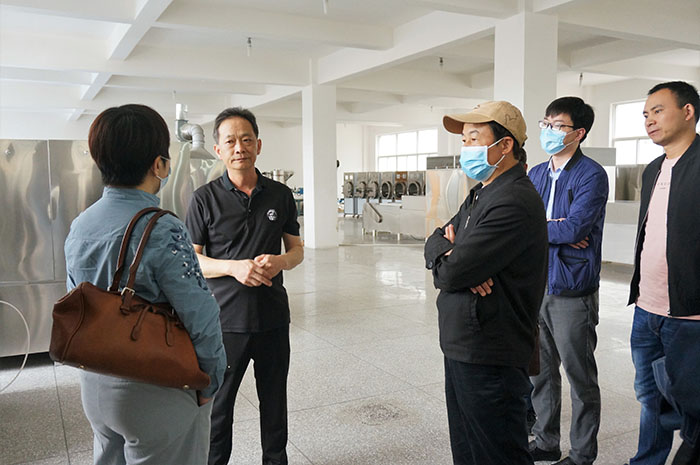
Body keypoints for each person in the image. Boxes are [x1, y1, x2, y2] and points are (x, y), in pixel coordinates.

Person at [64, 104, 226, 465]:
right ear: (159, 165)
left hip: (96, 386)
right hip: (155, 387)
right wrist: (210, 379)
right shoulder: (163, 228)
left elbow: (74, 302)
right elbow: (201, 315)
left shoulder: (80, 225)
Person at [424, 100, 548, 465]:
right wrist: (448, 251)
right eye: (464, 140)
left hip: (491, 350)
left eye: (474, 138)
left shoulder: (513, 199)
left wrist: (457, 260)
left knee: (498, 453)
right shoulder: (481, 193)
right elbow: (435, 239)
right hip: (463, 344)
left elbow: (454, 272)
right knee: (467, 449)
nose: (466, 148)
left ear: (505, 145)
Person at [185, 107, 304, 465]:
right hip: (224, 323)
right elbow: (193, 262)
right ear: (218, 150)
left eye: (247, 139)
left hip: (272, 318)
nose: (240, 148)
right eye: (231, 141)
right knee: (219, 409)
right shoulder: (204, 199)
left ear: (258, 145)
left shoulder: (280, 195)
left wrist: (281, 261)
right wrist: (233, 268)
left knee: (274, 404)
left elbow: (296, 250)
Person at [526, 97, 608, 465]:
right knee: (540, 374)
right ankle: (546, 442)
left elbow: (576, 227)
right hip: (536, 285)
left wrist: (545, 228)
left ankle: (582, 453)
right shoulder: (536, 174)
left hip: (572, 288)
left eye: (558, 125)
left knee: (579, 376)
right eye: (546, 124)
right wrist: (553, 228)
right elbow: (523, 223)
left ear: (579, 133)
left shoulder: (591, 175)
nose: (549, 131)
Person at [627, 81, 700, 465]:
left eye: (657, 111)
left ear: (688, 112)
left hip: (689, 314)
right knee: (649, 396)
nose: (649, 120)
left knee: (691, 402)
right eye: (645, 114)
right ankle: (647, 460)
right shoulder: (654, 168)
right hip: (646, 307)